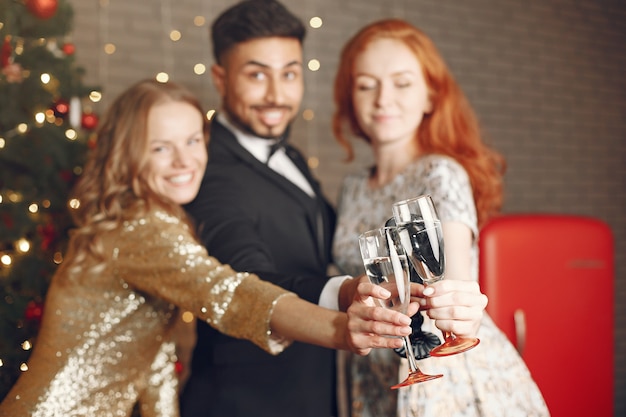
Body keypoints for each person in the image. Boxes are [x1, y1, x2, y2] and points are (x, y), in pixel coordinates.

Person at [0, 78, 416, 417]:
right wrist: (344, 329)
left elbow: (155, 359)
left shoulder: (155, 218)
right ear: (127, 157)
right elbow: (230, 293)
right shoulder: (142, 228)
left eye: (193, 141)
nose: (185, 160)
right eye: (161, 148)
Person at [331, 18, 550, 417]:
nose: (383, 99)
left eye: (402, 83)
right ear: (351, 98)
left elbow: (454, 279)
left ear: (430, 96)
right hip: (374, 372)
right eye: (366, 85)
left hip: (441, 372)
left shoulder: (440, 173)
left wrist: (461, 303)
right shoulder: (352, 187)